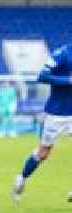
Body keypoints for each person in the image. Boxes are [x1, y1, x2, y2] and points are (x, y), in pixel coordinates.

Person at [12, 43, 72, 202]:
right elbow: (42, 76)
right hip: (56, 114)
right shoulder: (62, 54)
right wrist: (68, 81)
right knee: (43, 153)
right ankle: (22, 178)